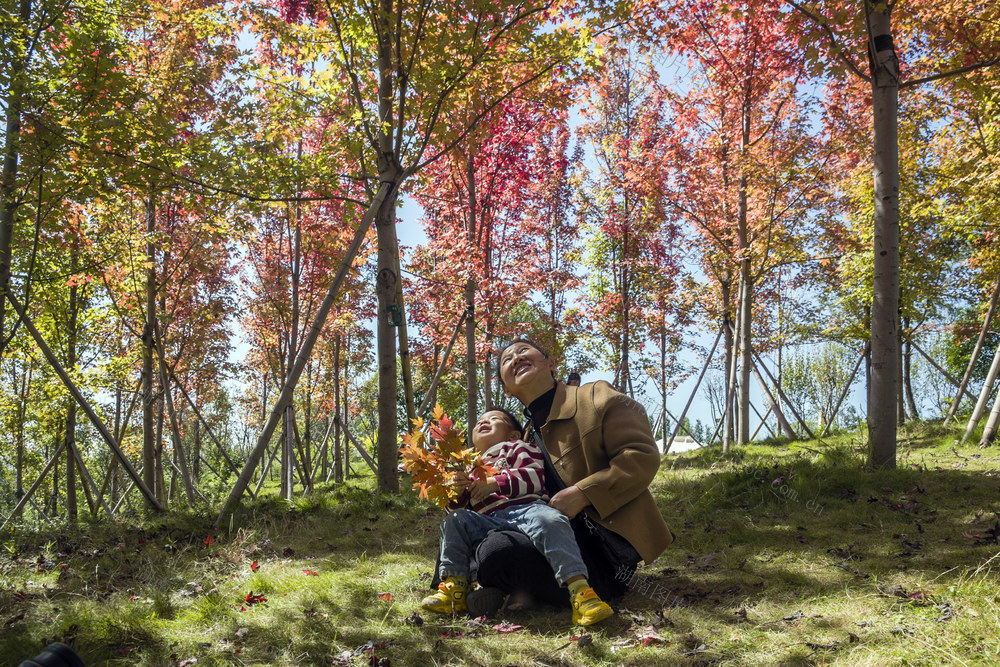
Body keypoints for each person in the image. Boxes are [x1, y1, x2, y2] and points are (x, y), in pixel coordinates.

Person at [463, 338, 673, 617]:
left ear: (551, 363)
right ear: (506, 389)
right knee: (490, 543)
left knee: (496, 553)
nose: (516, 357)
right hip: (548, 541)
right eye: (506, 359)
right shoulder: (521, 442)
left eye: (524, 350)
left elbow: (640, 455)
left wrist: (583, 493)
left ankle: (517, 589)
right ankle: (492, 588)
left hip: (604, 556)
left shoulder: (594, 396)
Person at [421, 408, 614, 626]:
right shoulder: (469, 467)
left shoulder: (517, 447)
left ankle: (580, 591)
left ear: (513, 434)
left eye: (494, 419)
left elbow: (533, 476)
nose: (484, 422)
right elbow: (462, 510)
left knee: (551, 521)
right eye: (479, 422)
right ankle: (453, 588)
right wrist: (456, 493)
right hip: (490, 520)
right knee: (454, 521)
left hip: (528, 510)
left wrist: (496, 483)